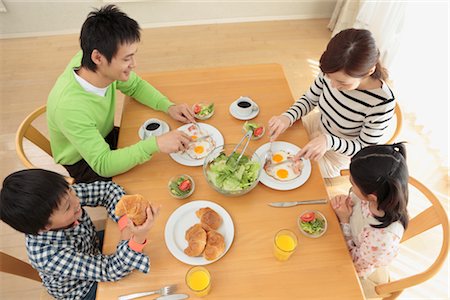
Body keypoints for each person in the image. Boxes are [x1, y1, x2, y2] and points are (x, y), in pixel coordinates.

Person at [47, 5, 194, 183]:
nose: (134, 64)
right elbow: (103, 163)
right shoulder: (69, 108)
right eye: (126, 58)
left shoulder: (90, 62)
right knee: (154, 177)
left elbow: (135, 86)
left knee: (162, 158)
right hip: (84, 162)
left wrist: (169, 106)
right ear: (98, 58)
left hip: (104, 135)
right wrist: (156, 144)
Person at [0, 169, 160, 300]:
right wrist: (136, 238)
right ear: (45, 226)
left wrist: (125, 225)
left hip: (92, 245)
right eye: (68, 207)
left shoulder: (61, 197)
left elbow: (108, 190)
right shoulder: (48, 255)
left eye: (70, 190)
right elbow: (111, 269)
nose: (76, 201)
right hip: (83, 288)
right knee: (150, 281)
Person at [268, 28, 396, 178]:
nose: (333, 86)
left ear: (368, 72)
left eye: (342, 82)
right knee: (270, 148)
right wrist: (287, 117)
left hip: (338, 152)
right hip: (316, 125)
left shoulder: (382, 103)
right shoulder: (332, 70)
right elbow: (310, 99)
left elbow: (364, 147)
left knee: (293, 174)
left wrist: (329, 141)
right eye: (329, 77)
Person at [330, 143, 409, 298]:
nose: (351, 187)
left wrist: (344, 221)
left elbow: (354, 266)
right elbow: (354, 200)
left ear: (372, 197)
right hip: (347, 236)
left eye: (352, 183)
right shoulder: (381, 195)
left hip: (355, 266)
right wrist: (346, 204)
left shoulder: (382, 238)